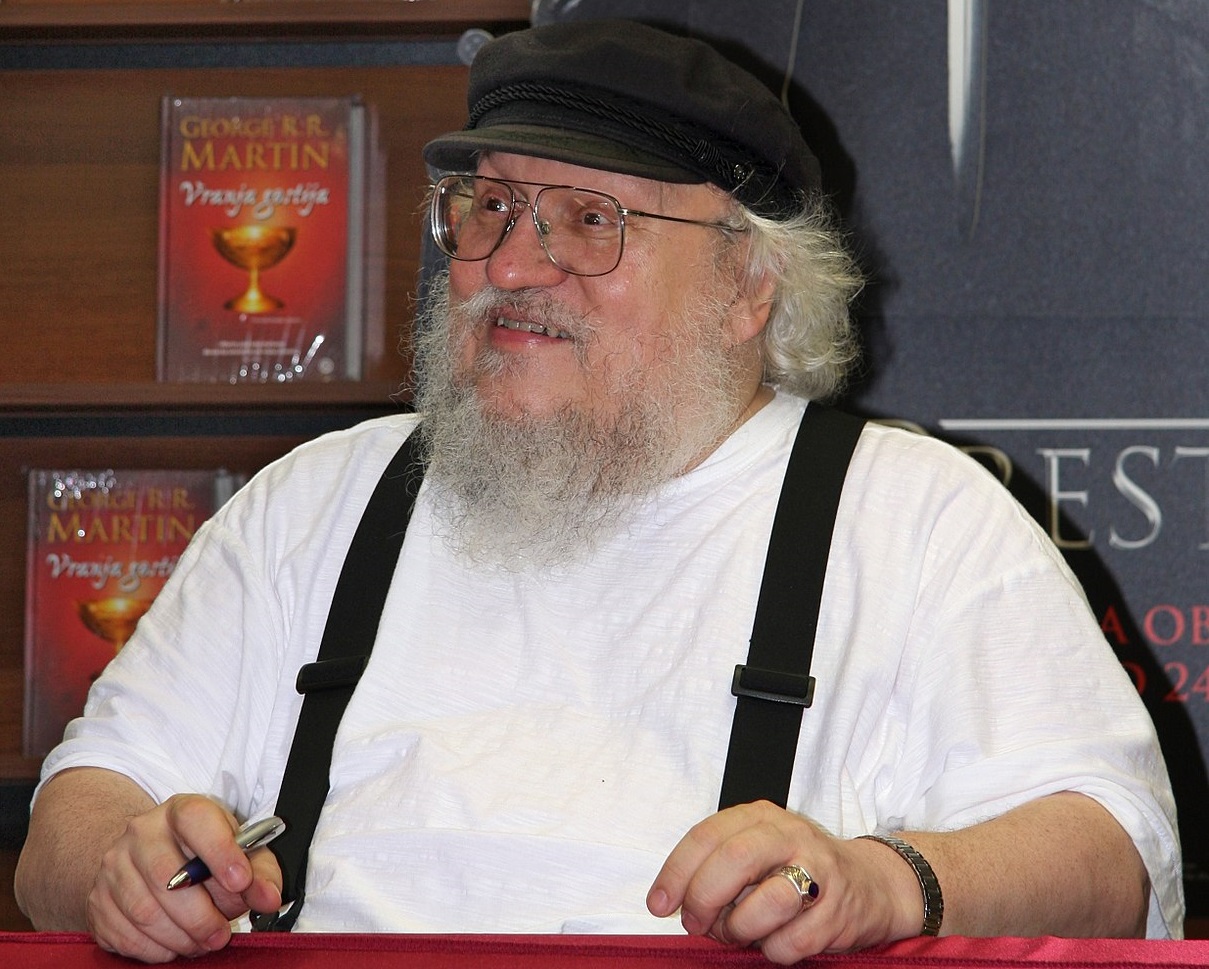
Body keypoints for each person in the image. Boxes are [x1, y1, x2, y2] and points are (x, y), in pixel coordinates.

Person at [15, 18, 1182, 965]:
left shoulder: (921, 522)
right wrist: (125, 866)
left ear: (749, 287)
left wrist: (891, 882)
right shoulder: (317, 503)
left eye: (591, 220)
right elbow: (78, 807)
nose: (512, 266)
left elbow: (1110, 854)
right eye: (489, 208)